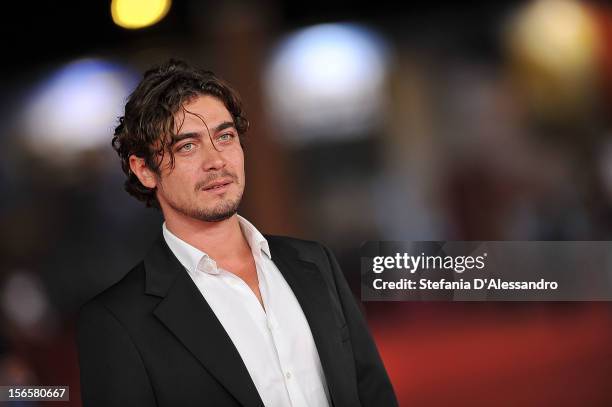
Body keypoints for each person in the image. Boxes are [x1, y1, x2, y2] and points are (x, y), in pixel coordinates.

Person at [77, 59, 398, 407]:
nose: (216, 160)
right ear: (144, 169)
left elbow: (373, 393)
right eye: (187, 146)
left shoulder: (315, 262)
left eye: (225, 136)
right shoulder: (116, 321)